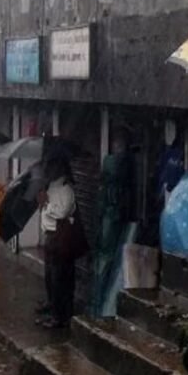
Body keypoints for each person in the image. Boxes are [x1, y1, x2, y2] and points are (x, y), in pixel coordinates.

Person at [89, 135, 134, 317]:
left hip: (109, 221)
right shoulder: (116, 177)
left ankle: (98, 302)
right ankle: (100, 301)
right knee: (106, 260)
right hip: (110, 221)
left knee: (105, 261)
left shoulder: (109, 186)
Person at [37, 156, 79, 329]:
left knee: (60, 279)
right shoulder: (51, 186)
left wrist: (47, 206)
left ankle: (61, 316)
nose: (47, 171)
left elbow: (61, 213)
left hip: (61, 238)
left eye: (51, 168)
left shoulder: (66, 189)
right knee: (50, 277)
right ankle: (53, 310)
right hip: (50, 236)